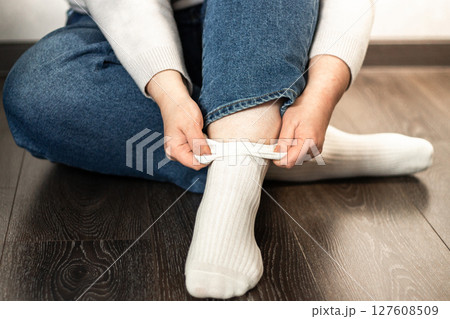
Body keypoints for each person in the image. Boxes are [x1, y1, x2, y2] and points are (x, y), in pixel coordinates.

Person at [2, 0, 433, 299]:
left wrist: (320, 94)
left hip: (265, 24)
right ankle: (269, 152)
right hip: (119, 28)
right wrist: (167, 91)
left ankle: (236, 185)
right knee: (39, 91)